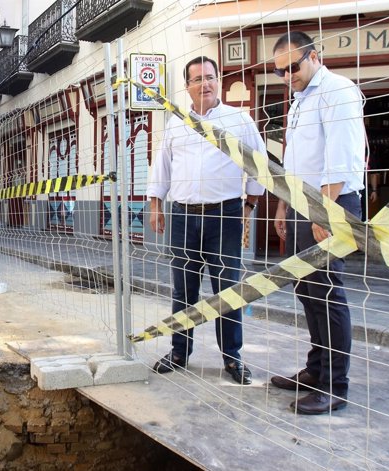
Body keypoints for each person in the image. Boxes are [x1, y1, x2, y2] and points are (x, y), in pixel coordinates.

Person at [147, 56, 265, 385]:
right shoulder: (175, 123)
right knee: (183, 289)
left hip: (225, 215)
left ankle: (232, 358)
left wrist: (249, 206)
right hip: (183, 215)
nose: (205, 84)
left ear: (219, 80)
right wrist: (156, 205)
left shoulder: (239, 120)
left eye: (210, 77)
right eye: (197, 79)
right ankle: (179, 351)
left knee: (227, 291)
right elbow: (163, 167)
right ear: (187, 86)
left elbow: (258, 164)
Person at [270, 31, 365, 414]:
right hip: (301, 203)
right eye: (279, 71)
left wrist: (324, 213)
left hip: (332, 202)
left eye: (292, 67)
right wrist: (283, 206)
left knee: (327, 292)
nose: (287, 76)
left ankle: (334, 386)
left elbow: (341, 158)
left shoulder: (337, 90)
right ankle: (316, 369)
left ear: (314, 56)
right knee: (306, 289)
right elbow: (294, 162)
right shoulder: (298, 100)